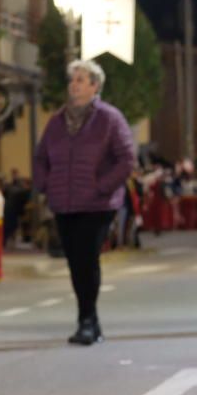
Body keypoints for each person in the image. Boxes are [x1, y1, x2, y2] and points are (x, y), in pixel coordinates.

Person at [33, 59, 135, 346]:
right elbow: (41, 157)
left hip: (98, 205)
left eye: (80, 79)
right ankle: (89, 320)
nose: (73, 85)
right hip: (64, 203)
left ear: (94, 85)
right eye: (72, 79)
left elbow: (127, 159)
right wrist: (44, 185)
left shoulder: (109, 118)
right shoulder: (56, 122)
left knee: (87, 259)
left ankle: (87, 321)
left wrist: (101, 187)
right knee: (75, 262)